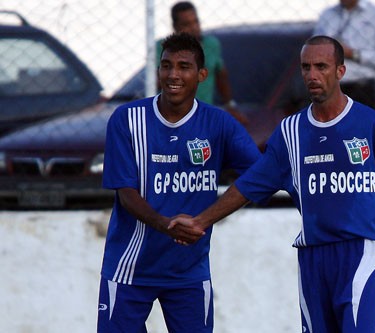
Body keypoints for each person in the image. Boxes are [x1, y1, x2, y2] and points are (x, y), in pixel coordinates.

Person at [171, 36, 375, 333]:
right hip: (313, 258)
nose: (312, 75)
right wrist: (200, 222)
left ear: (340, 71)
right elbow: (247, 187)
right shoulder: (290, 132)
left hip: (361, 253)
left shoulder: (371, 125)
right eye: (306, 67)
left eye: (321, 67)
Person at [97, 33, 261, 332]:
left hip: (189, 272)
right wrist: (164, 224)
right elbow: (126, 194)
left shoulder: (219, 124)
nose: (173, 74)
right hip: (129, 269)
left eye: (184, 66)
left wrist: (204, 220)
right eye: (166, 65)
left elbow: (258, 177)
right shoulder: (126, 120)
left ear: (201, 75)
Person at [157, 1, 248, 124]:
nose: (193, 27)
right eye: (186, 24)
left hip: (202, 115)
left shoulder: (211, 45)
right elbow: (156, 81)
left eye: (196, 21)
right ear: (175, 27)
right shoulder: (164, 48)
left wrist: (229, 105)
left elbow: (221, 76)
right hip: (172, 115)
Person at [313, 0, 375, 109]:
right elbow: (314, 50)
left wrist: (354, 54)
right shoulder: (328, 15)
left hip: (361, 90)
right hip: (328, 89)